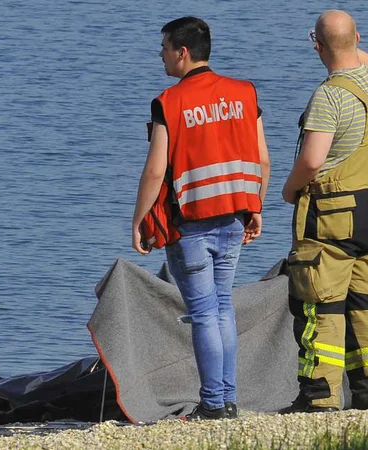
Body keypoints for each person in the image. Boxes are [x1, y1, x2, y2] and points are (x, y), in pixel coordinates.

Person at [131, 17, 270, 420]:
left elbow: (156, 170)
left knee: (204, 313)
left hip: (190, 223)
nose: (161, 55)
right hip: (233, 218)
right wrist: (255, 207)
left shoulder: (169, 102)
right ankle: (226, 398)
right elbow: (261, 158)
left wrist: (139, 219)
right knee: (223, 307)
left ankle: (213, 403)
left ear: (183, 52)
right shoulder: (244, 93)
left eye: (164, 48)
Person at [280, 10, 368, 413]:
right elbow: (364, 56)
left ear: (317, 45)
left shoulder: (328, 96)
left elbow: (312, 161)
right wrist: (346, 42)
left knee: (320, 303)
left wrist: (289, 190)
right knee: (367, 303)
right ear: (358, 39)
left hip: (331, 211)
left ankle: (319, 397)